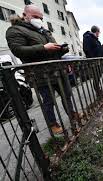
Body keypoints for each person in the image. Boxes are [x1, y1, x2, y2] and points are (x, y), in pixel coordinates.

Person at [6, 5, 80, 134]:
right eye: (35, 17)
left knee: (66, 94)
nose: (39, 20)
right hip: (40, 75)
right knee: (48, 101)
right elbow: (18, 50)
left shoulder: (44, 30)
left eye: (40, 18)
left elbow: (52, 47)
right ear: (25, 15)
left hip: (56, 70)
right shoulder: (15, 30)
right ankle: (53, 124)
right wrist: (44, 47)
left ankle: (72, 114)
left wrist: (61, 49)